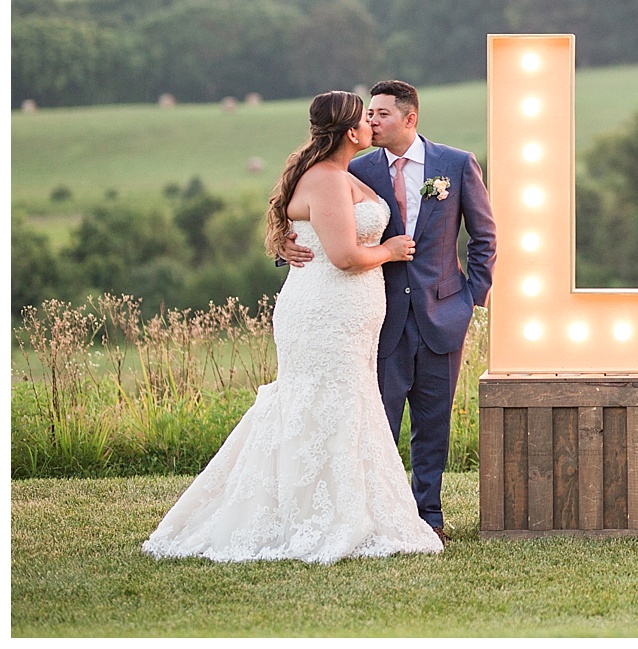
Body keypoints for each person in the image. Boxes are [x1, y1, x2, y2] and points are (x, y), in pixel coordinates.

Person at [143, 91, 441, 563]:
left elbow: (316, 231)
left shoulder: (342, 174)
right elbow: (344, 257)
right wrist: (390, 251)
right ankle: (310, 516)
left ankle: (352, 509)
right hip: (325, 310)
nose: (371, 124)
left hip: (350, 315)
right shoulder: (325, 179)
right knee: (318, 402)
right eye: (365, 119)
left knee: (345, 405)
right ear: (349, 132)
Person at [280, 79, 496, 542]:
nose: (372, 121)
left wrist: (470, 299)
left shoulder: (455, 165)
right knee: (377, 420)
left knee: (433, 423)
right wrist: (286, 245)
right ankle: (380, 512)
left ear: (410, 118)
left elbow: (484, 237)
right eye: (368, 114)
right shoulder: (354, 170)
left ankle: (429, 515)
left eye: (381, 114)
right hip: (376, 319)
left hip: (443, 313)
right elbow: (307, 216)